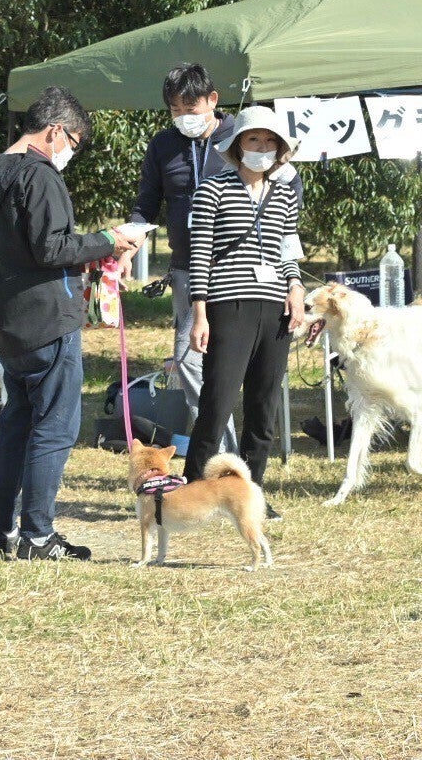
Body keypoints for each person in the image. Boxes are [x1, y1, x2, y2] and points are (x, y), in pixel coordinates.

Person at [0, 87, 140, 560]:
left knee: (16, 426)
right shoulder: (39, 177)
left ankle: (2, 535)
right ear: (56, 131)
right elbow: (51, 247)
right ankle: (38, 536)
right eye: (74, 142)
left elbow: (25, 249)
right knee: (54, 428)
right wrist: (106, 240)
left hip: (10, 322)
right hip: (49, 322)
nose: (71, 153)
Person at [185, 106, 306, 520]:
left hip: (274, 308)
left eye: (271, 141)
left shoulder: (285, 193)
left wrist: (295, 287)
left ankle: (252, 495)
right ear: (237, 145)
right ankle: (190, 491)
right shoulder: (212, 189)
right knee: (217, 402)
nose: (263, 147)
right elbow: (199, 253)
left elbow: (286, 250)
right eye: (255, 139)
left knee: (263, 405)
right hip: (227, 303)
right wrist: (198, 314)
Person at [128, 63, 240, 452]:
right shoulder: (162, 145)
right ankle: (222, 452)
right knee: (189, 360)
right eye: (175, 110)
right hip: (187, 270)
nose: (183, 118)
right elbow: (146, 204)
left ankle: (234, 455)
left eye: (190, 109)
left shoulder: (242, 137)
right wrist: (128, 246)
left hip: (236, 266)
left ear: (213, 100)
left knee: (231, 362)